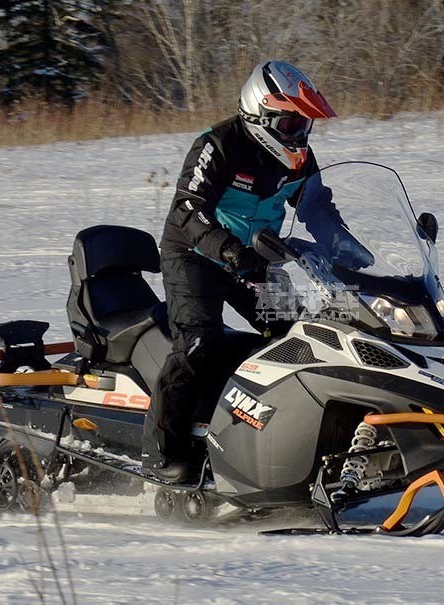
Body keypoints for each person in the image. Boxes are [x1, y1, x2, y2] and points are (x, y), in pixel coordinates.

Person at [141, 60, 339, 483]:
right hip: (195, 255)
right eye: (290, 123)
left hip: (255, 259)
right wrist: (230, 252)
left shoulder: (299, 159)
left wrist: (349, 250)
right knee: (198, 342)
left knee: (297, 339)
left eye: (303, 124)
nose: (298, 134)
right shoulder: (218, 145)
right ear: (260, 114)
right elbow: (187, 210)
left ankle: (282, 440)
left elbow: (318, 208)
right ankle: (162, 452)